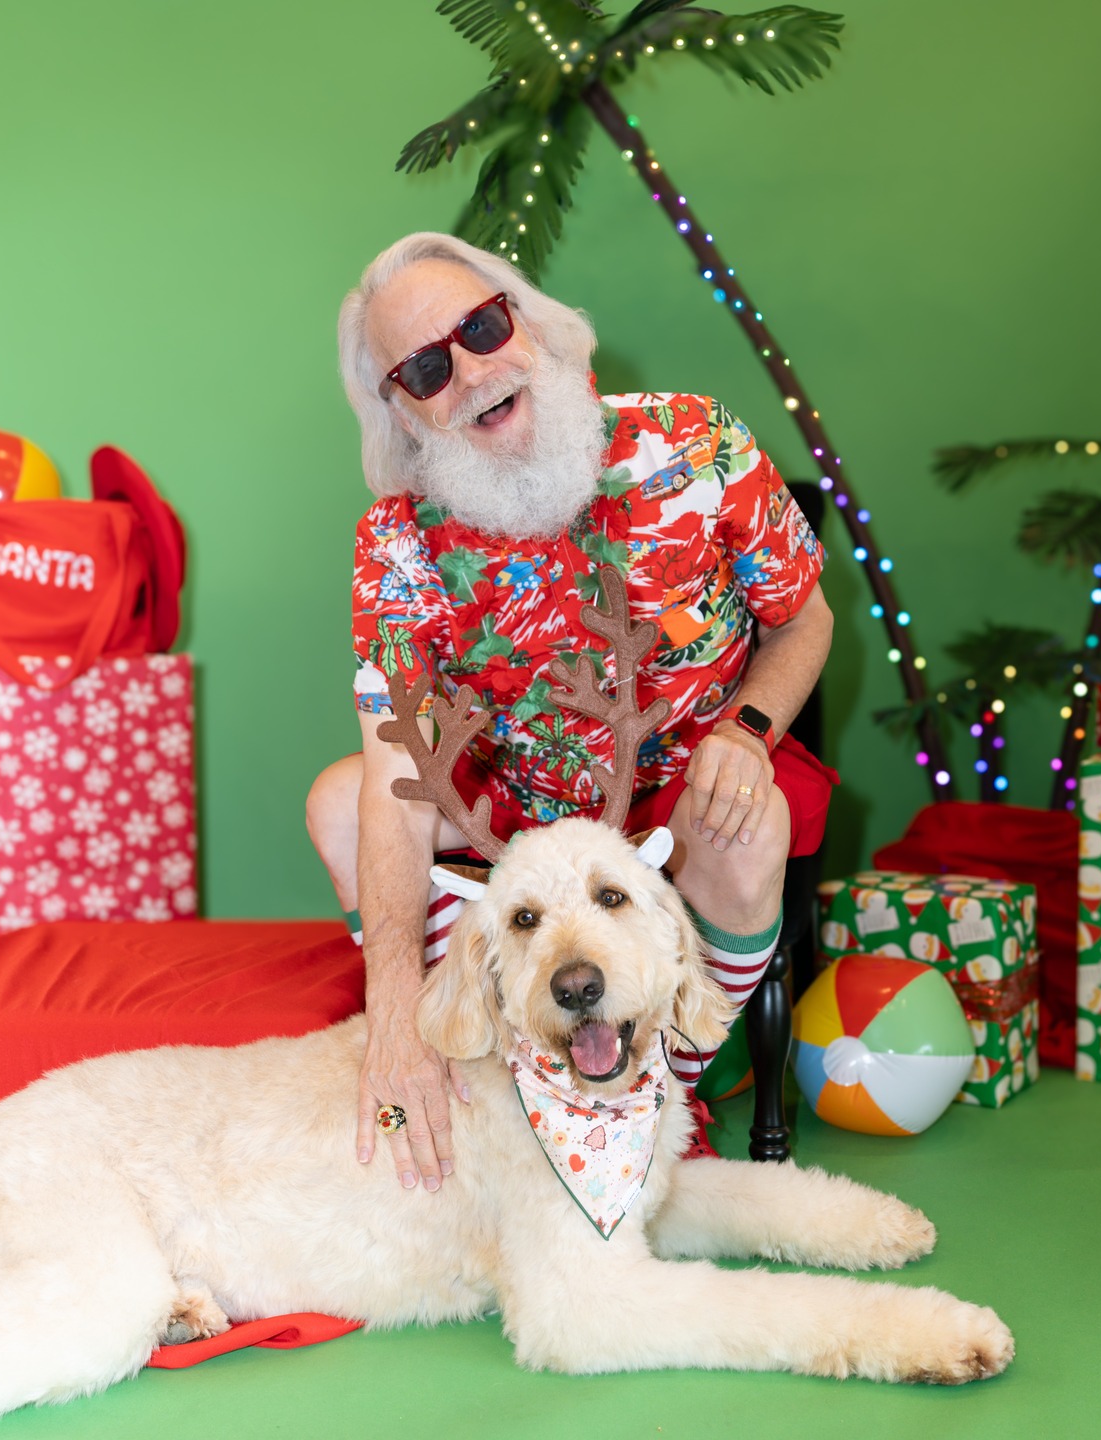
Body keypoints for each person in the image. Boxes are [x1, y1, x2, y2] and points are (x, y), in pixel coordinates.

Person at [307, 232, 836, 1196]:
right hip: (516, 819)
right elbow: (397, 767)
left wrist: (748, 732)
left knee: (749, 826)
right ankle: (492, 1082)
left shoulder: (698, 441)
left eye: (480, 327)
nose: (467, 370)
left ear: (529, 322)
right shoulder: (398, 541)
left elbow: (803, 621)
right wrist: (388, 1007)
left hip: (685, 788)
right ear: (405, 413)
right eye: (425, 367)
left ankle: (657, 1105)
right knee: (342, 800)